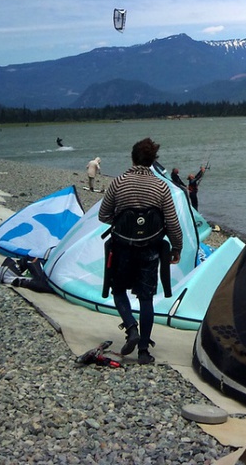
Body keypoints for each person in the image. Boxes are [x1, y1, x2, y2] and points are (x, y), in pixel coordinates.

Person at [99, 138, 183, 364]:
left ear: (133, 158)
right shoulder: (161, 186)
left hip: (122, 248)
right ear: (153, 161)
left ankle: (130, 327)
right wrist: (177, 248)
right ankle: (144, 351)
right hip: (150, 250)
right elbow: (173, 223)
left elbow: (103, 216)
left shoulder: (118, 182)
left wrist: (123, 222)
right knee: (146, 299)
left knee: (118, 290)